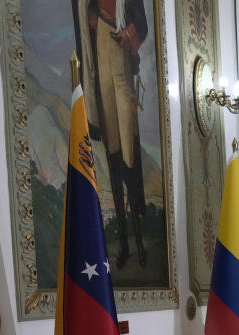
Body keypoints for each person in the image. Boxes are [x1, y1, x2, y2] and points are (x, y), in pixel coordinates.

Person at [72, 0, 148, 268]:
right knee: (114, 156)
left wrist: (129, 32)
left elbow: (141, 22)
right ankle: (126, 244)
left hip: (121, 61)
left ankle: (139, 240)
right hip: (100, 59)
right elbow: (84, 18)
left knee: (130, 156)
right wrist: (93, 17)